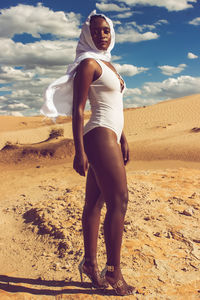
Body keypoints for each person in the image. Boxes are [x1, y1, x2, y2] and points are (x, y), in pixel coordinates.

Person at [41, 10, 135, 296]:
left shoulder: (109, 65)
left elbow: (115, 106)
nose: (101, 35)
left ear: (111, 33)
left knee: (94, 204)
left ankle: (90, 264)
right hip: (97, 134)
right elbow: (78, 109)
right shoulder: (88, 64)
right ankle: (113, 273)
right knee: (119, 200)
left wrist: (124, 138)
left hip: (111, 135)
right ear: (87, 34)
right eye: (95, 31)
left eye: (105, 30)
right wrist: (78, 150)